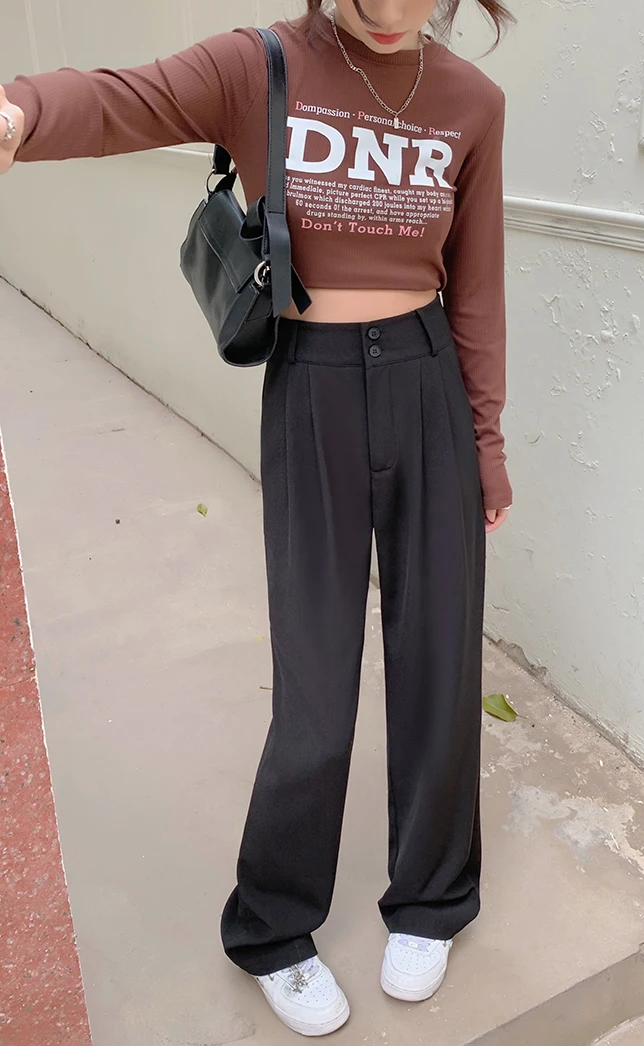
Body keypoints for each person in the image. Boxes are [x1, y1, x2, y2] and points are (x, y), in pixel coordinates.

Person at [0, 0, 515, 1036]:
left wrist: (485, 442)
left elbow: (477, 285)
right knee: (315, 676)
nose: (390, 9)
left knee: (439, 659)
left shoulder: (473, 101)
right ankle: (274, 926)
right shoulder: (262, 64)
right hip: (313, 384)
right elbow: (123, 100)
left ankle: (431, 898)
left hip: (427, 387)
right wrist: (18, 114)